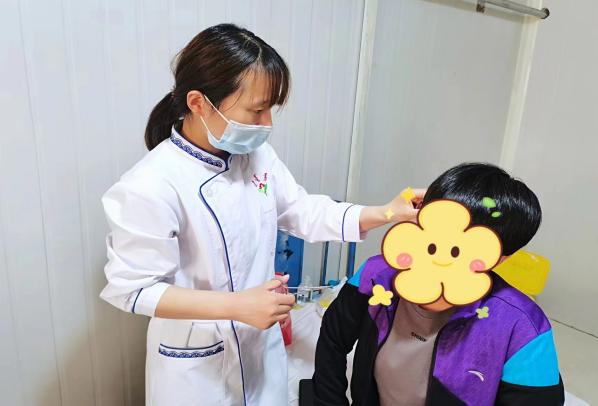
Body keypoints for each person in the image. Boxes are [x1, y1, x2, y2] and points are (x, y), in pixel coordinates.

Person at [100, 23, 423, 405]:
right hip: (197, 367)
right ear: (199, 103)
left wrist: (385, 212)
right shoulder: (150, 185)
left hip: (260, 350)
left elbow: (299, 209)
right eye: (257, 110)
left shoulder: (255, 157)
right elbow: (135, 290)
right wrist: (237, 306)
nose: (267, 123)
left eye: (270, 109)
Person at [313, 163, 565, 406]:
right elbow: (333, 341)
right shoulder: (376, 274)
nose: (443, 256)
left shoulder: (523, 326)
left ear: (501, 257)